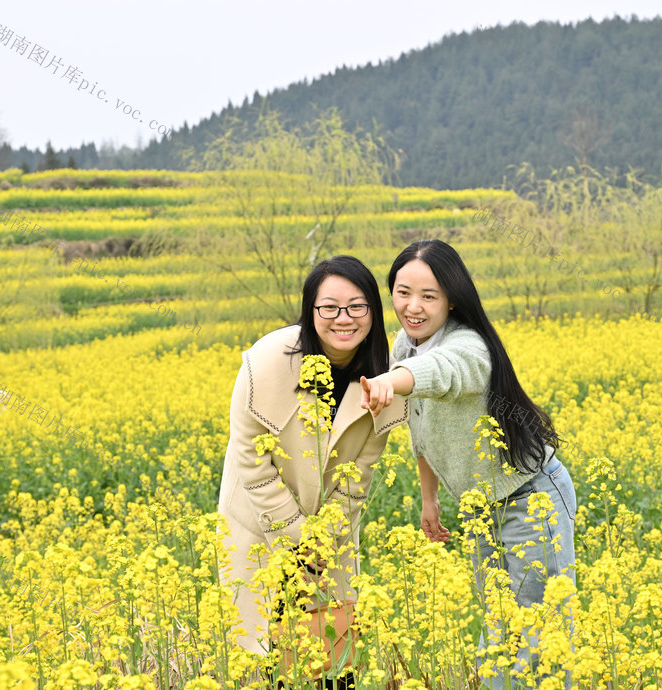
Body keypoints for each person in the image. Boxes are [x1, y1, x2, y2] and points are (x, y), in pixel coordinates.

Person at [360, 239, 577, 689]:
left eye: (429, 296)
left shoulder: (470, 347)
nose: (413, 307)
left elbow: (441, 372)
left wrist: (392, 380)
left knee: (540, 637)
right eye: (403, 292)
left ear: (452, 299)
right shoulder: (405, 345)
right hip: (480, 509)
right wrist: (430, 498)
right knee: (498, 629)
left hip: (530, 498)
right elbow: (420, 429)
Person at [217, 255, 409, 679]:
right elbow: (252, 462)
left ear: (374, 312)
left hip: (329, 542)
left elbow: (359, 477)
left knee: (332, 661)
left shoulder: (385, 379)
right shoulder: (265, 362)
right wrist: (299, 540)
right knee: (264, 657)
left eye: (357, 306)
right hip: (260, 528)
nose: (344, 318)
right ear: (310, 311)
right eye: (330, 307)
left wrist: (322, 542)